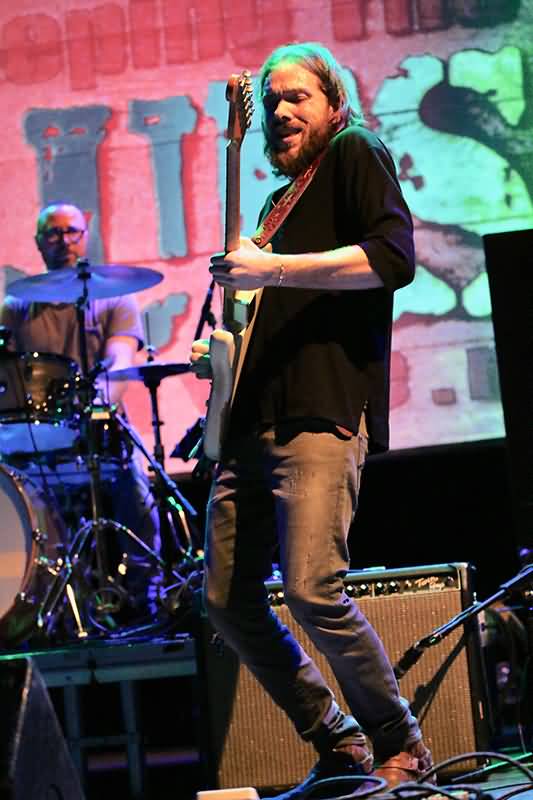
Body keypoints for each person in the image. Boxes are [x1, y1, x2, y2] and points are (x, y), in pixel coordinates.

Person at [191, 43, 433, 798]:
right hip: (249, 422)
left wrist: (271, 268)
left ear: (334, 102)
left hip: (318, 410)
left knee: (311, 588)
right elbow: (261, 309)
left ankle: (400, 741)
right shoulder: (274, 206)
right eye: (271, 101)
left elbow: (392, 259)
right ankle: (337, 741)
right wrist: (220, 350)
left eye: (297, 96)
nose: (280, 110)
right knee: (224, 600)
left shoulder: (356, 152)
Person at [0, 202, 160, 625]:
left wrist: (96, 406)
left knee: (138, 497)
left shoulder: (114, 297)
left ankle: (146, 595)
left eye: (72, 231)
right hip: (36, 435)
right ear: (39, 243)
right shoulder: (16, 303)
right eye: (53, 233)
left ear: (85, 237)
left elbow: (120, 361)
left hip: (99, 427)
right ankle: (40, 603)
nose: (64, 240)